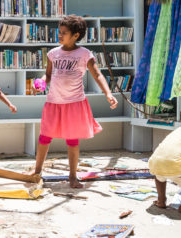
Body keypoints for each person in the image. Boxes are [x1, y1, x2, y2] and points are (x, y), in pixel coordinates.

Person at [29, 14, 118, 188]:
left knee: (72, 140)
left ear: (76, 35)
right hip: (53, 102)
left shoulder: (84, 53)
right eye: (59, 32)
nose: (59, 35)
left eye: (63, 32)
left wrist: (108, 93)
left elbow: (97, 74)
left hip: (75, 103)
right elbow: (47, 75)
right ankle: (37, 171)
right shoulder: (53, 53)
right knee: (44, 137)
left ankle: (72, 176)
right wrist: (40, 83)